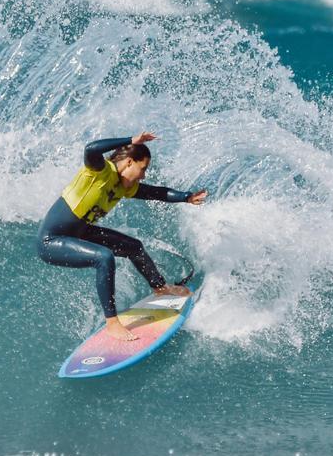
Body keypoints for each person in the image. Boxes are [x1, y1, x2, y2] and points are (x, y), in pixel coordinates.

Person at [37, 131, 207, 341]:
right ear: (128, 163)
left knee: (134, 247)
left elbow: (157, 193)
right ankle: (112, 323)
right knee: (104, 257)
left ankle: (160, 288)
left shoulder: (124, 187)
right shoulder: (100, 172)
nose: (143, 175)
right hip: (52, 241)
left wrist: (187, 197)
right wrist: (131, 140)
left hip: (81, 232)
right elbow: (91, 148)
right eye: (142, 168)